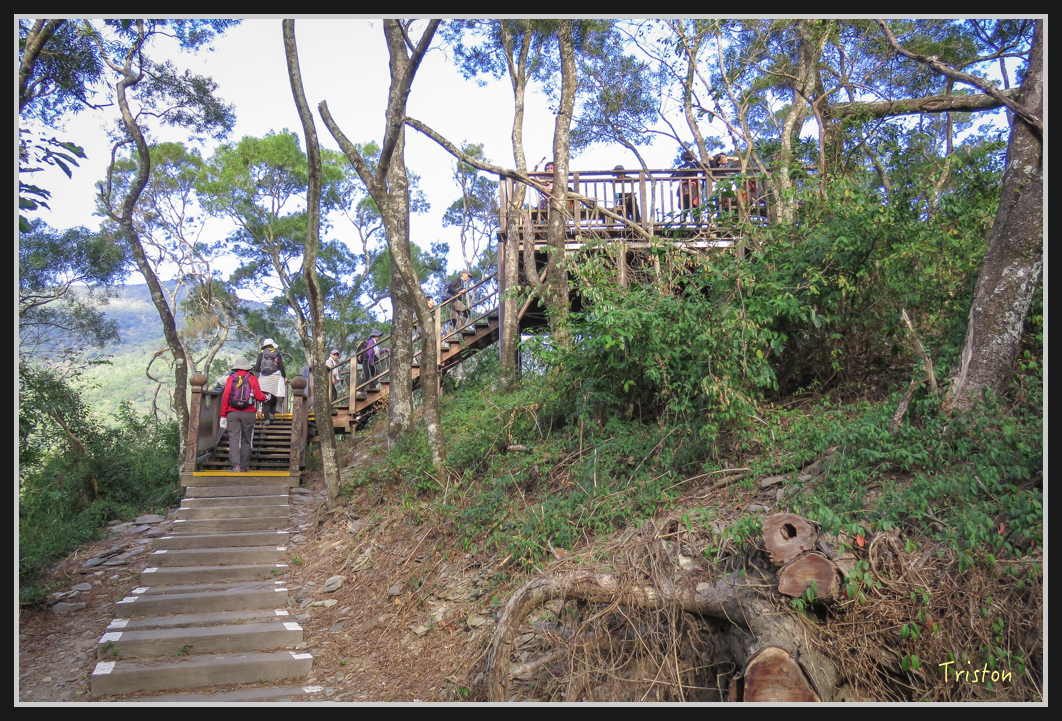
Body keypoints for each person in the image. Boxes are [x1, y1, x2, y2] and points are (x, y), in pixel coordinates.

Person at [220, 358, 268, 474]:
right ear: (247, 368)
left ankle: (235, 466)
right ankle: (244, 467)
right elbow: (259, 396)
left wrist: (223, 415)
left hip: (232, 413)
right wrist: (266, 397)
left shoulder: (231, 378)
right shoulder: (252, 378)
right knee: (246, 440)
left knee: (234, 440)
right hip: (249, 412)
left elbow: (226, 397)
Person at [254, 338, 287, 425]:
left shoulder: (261, 355)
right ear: (272, 345)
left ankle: (267, 419)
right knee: (274, 395)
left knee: (265, 399)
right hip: (275, 377)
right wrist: (284, 377)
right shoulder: (277, 354)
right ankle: (272, 414)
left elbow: (257, 368)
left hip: (264, 378)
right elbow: (281, 367)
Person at [673, 150, 702, 215]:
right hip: (692, 186)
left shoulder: (680, 167)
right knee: (694, 203)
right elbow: (706, 167)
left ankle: (683, 221)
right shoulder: (695, 164)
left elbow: (673, 177)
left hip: (683, 187)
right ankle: (697, 221)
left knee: (684, 205)